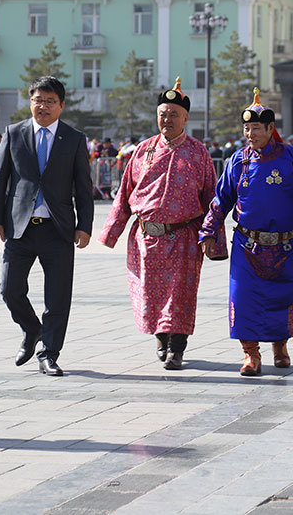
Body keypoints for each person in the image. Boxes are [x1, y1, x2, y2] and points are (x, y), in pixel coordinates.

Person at [99, 77, 224, 370]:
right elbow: (124, 193)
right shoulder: (142, 150)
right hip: (146, 238)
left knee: (180, 295)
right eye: (162, 114)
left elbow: (212, 199)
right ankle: (162, 338)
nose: (167, 119)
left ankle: (176, 349)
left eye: (173, 115)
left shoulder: (198, 153)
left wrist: (212, 239)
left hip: (183, 237)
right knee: (151, 294)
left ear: (185, 118)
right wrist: (110, 233)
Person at [200, 89, 293, 376]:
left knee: (284, 297)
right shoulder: (238, 161)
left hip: (284, 246)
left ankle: (280, 347)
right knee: (243, 300)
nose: (250, 134)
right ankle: (251, 354)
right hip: (247, 246)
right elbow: (221, 199)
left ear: (270, 129)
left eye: (256, 128)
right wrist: (207, 231)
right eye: (246, 129)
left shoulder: (290, 157)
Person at [0, 76, 94, 377]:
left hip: (58, 229)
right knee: (10, 289)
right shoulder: (14, 133)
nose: (42, 106)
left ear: (61, 105)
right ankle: (32, 329)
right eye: (38, 100)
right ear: (30, 102)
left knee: (57, 296)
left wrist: (84, 225)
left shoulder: (73, 139)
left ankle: (49, 353)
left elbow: (83, 187)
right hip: (20, 228)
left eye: (49, 101)